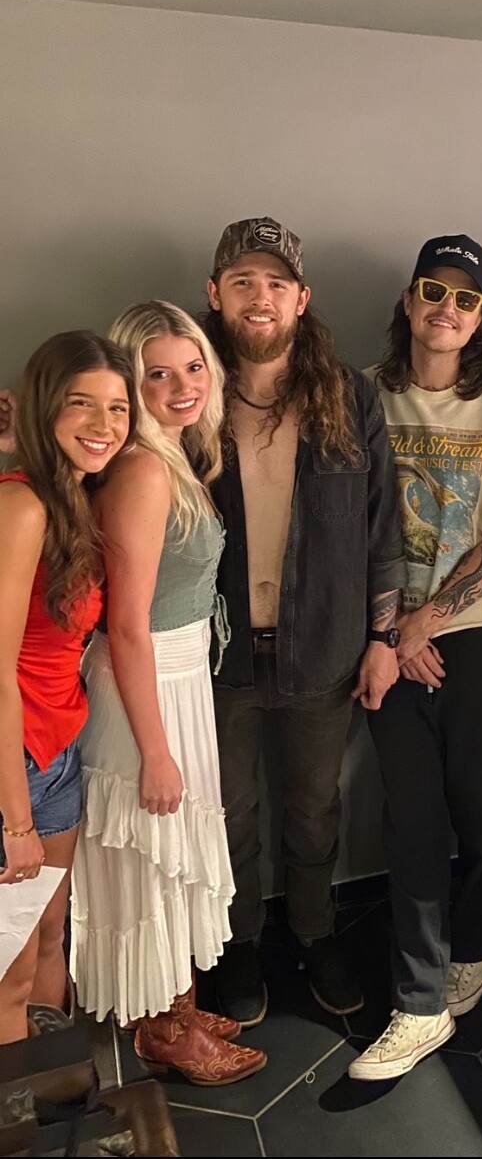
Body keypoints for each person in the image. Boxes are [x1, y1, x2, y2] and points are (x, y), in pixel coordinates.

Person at [347, 235, 482, 1081]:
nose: (446, 309)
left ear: (481, 317)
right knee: (411, 818)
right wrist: (395, 633)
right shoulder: (360, 395)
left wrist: (429, 621)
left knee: (481, 806)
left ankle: (476, 943)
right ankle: (419, 1000)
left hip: (479, 635)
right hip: (385, 644)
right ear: (409, 299)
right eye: (433, 290)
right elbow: (341, 526)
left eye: (466, 299)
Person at [202, 218, 405, 1026]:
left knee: (315, 809)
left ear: (301, 298)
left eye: (276, 283)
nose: (261, 297)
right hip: (216, 656)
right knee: (228, 816)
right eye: (243, 282)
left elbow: (382, 531)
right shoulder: (185, 394)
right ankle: (239, 942)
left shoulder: (351, 398)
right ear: (215, 294)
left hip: (323, 651)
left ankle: (317, 933)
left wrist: (383, 639)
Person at [69, 302, 266, 1086]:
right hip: (142, 683)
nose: (183, 386)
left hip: (178, 676)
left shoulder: (175, 455)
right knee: (153, 859)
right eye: (159, 374)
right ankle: (162, 1029)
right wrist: (155, 751)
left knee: (171, 853)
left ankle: (172, 1005)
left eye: (193, 367)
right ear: (130, 381)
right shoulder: (145, 471)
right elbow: (125, 628)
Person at [0, 330, 135, 1045]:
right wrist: (15, 822)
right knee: (9, 976)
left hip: (57, 750)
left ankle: (56, 1096)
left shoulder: (75, 500)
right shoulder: (23, 507)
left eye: (117, 408)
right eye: (81, 403)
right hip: (14, 763)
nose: (103, 424)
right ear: (46, 406)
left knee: (52, 936)